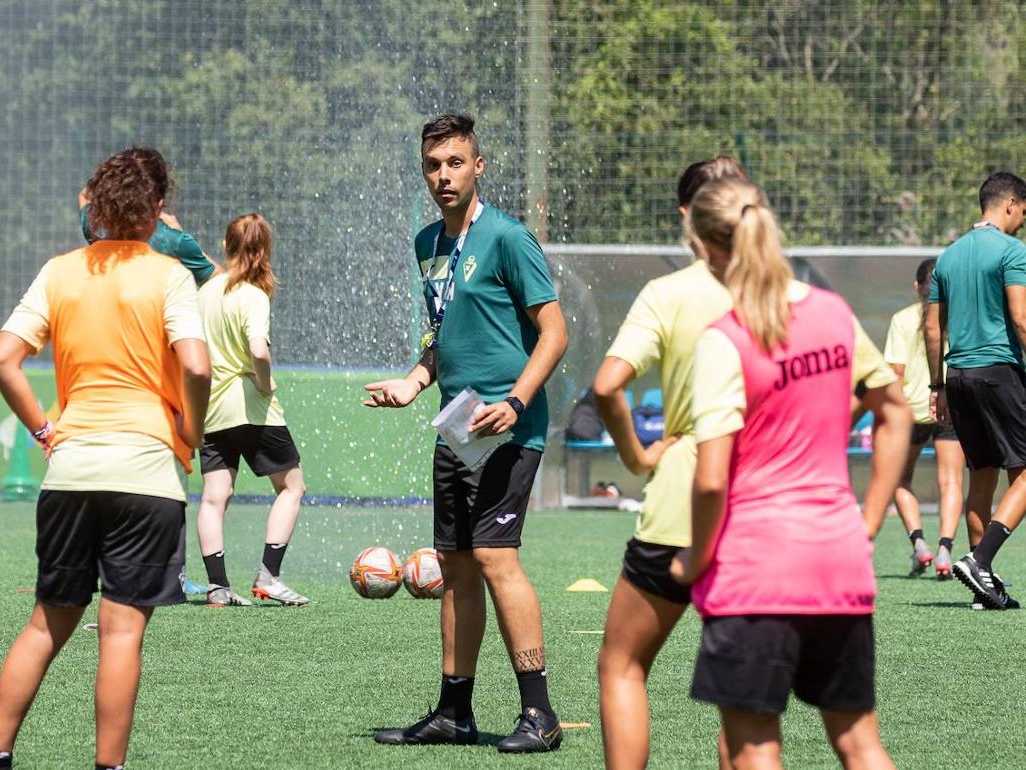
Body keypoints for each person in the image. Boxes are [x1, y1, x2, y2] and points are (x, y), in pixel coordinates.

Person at [0, 147, 211, 770]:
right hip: (148, 475)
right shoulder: (170, 275)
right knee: (122, 632)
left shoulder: (61, 271)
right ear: (159, 210)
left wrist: (45, 429)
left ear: (97, 205)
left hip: (72, 469)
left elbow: (1, 358)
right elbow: (195, 364)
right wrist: (190, 427)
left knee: (45, 625)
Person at [670, 178, 911, 770]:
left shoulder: (724, 341)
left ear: (701, 247)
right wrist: (869, 519)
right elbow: (896, 410)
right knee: (860, 743)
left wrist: (695, 558)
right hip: (838, 557)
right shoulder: (833, 312)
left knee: (754, 749)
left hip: (756, 570)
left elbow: (709, 480)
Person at [365, 114, 569, 753]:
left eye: (456, 163)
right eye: (433, 165)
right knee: (455, 566)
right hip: (457, 429)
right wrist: (414, 380)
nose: (443, 176)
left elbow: (555, 332)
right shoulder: (427, 242)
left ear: (478, 167)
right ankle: (455, 711)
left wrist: (516, 401)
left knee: (493, 558)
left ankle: (540, 713)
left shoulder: (508, 237)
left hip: (508, 426)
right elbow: (442, 332)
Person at [591, 156, 746, 769]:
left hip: (680, 505)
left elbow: (607, 387)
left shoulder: (669, 294)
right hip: (763, 508)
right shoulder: (793, 293)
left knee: (622, 664)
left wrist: (639, 456)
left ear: (688, 216)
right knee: (744, 704)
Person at [195, 213, 308, 607]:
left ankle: (217, 587)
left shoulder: (206, 292)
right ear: (265, 252)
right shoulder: (253, 294)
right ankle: (269, 576)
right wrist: (264, 381)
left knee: (215, 496)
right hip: (252, 408)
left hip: (210, 407)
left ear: (227, 246)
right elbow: (258, 349)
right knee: (291, 487)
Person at [926, 171, 1026, 609]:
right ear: (1008, 205)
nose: (1022, 221)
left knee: (982, 473)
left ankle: (984, 587)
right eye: (1023, 212)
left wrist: (937, 385)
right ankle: (980, 559)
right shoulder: (1012, 251)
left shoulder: (947, 257)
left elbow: (932, 329)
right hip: (999, 371)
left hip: (958, 376)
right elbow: (1021, 319)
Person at [883, 258, 966, 579]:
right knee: (951, 481)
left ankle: (920, 546)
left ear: (918, 286)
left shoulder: (902, 320)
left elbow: (895, 373)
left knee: (899, 479)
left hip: (910, 411)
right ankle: (945, 551)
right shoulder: (955, 319)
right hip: (949, 407)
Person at [77, 150, 221, 287]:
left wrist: (111, 191)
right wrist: (182, 234)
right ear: (159, 205)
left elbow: (84, 195)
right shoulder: (171, 240)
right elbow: (220, 280)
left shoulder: (98, 226)